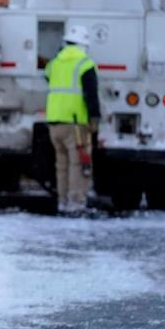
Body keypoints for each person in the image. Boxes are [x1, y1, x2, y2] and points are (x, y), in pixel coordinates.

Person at [44, 25, 101, 214]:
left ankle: (62, 201)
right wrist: (95, 118)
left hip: (54, 123)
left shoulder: (55, 63)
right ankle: (76, 203)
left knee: (62, 165)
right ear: (84, 45)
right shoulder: (85, 64)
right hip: (76, 124)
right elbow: (91, 94)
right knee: (79, 164)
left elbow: (47, 76)